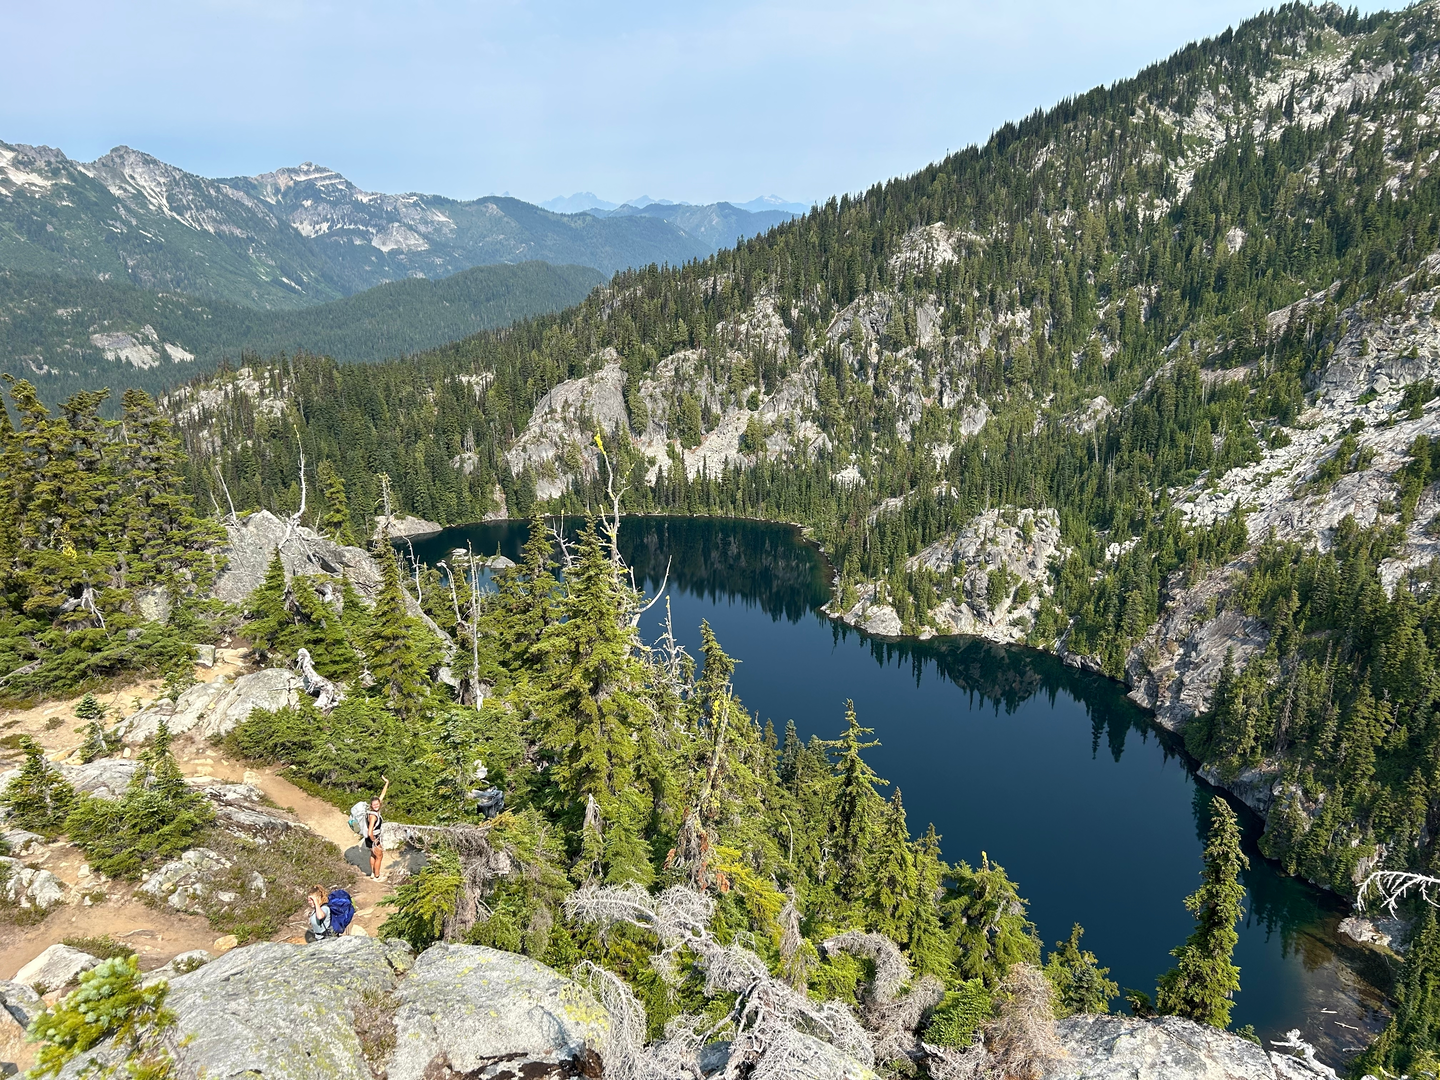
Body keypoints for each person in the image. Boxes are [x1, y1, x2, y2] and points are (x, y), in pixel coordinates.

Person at [365, 775, 390, 879]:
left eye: (377, 804)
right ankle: (377, 875)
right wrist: (375, 841)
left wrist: (386, 783)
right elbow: (370, 831)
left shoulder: (372, 811)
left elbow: (382, 795)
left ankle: (372, 873)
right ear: (371, 805)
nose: (376, 805)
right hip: (373, 838)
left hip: (369, 839)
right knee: (379, 856)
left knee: (373, 855)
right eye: (374, 804)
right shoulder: (373, 816)